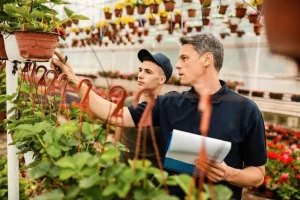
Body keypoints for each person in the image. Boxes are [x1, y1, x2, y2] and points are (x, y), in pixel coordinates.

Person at [51, 33, 267, 200]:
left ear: (207, 59)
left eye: (184, 58)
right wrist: (75, 82)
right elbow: (116, 115)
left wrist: (228, 173)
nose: (178, 65)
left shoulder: (246, 110)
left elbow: (257, 173)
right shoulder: (169, 104)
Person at [114, 49, 173, 167]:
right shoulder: (127, 102)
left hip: (148, 178)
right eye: (140, 70)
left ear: (161, 79)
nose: (140, 75)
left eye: (148, 72)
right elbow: (116, 139)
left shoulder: (166, 111)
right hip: (121, 173)